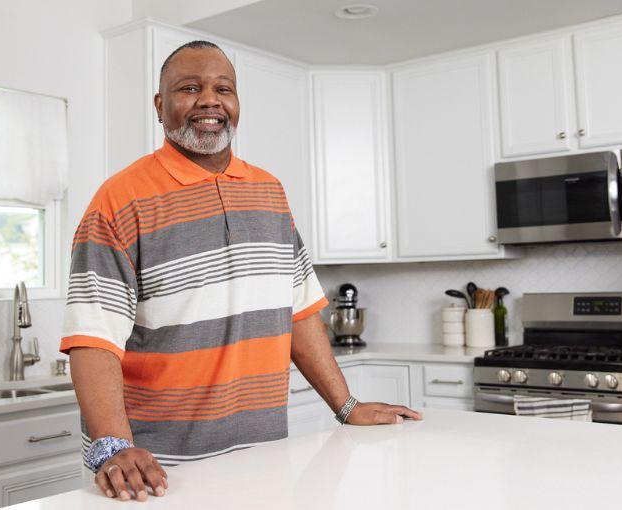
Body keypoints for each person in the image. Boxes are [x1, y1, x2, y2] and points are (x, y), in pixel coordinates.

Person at [59, 40, 421, 502]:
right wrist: (115, 447)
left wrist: (346, 406)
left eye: (223, 89)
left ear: (236, 103)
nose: (209, 100)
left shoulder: (270, 192)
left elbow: (298, 313)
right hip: (157, 472)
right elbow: (92, 338)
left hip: (263, 458)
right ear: (159, 105)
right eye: (190, 88)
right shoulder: (119, 200)